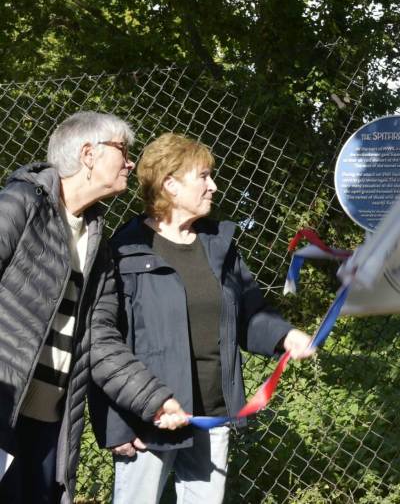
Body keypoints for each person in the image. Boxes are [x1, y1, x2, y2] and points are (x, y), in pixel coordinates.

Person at [89, 132, 315, 504]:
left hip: (212, 412)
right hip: (152, 418)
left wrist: (284, 336)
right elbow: (104, 344)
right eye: (204, 176)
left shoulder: (219, 245)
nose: (214, 186)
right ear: (170, 185)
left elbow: (250, 313)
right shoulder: (125, 251)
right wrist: (117, 426)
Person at [0, 111, 189, 504]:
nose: (130, 163)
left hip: (50, 427)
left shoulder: (98, 245)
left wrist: (153, 399)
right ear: (88, 154)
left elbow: (99, 341)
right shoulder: (21, 204)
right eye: (123, 150)